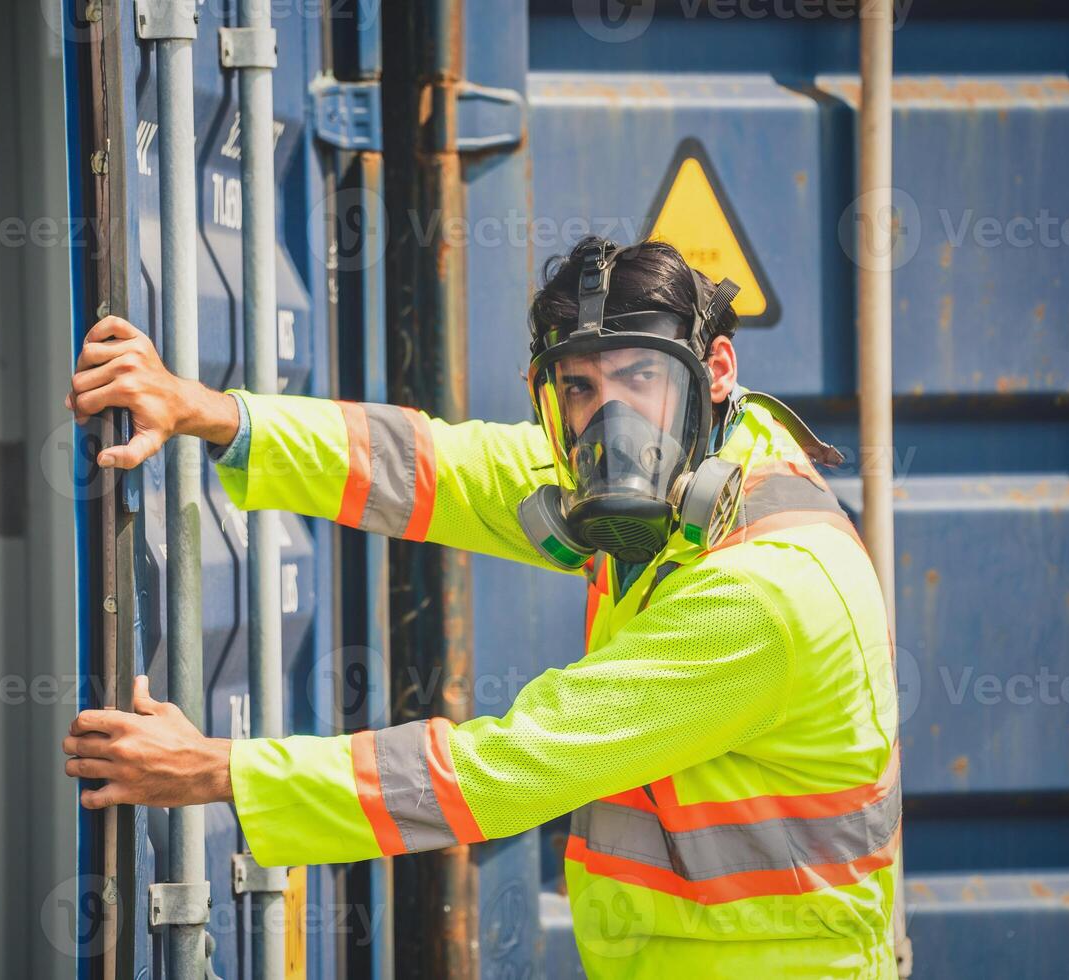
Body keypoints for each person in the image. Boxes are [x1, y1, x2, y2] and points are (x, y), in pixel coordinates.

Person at [61, 237, 901, 977]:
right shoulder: (687, 494)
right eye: (578, 389)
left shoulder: (762, 590)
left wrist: (216, 772)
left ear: (714, 373)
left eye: (641, 378)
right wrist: (214, 415)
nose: (609, 422)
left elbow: (505, 768)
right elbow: (441, 467)